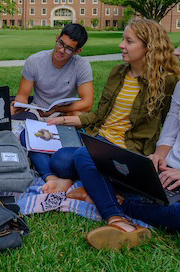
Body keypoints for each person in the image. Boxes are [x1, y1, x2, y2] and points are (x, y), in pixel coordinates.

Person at [49, 17, 180, 249]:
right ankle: (103, 188)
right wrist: (64, 119)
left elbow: (170, 127)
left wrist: (160, 157)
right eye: (122, 39)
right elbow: (99, 114)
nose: (121, 45)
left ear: (148, 46)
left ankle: (114, 215)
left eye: (128, 41)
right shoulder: (118, 72)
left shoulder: (168, 82)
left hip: (128, 152)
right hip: (101, 142)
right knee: (60, 161)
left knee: (80, 157)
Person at [11, 23, 93, 118]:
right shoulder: (35, 60)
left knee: (79, 117)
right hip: (37, 111)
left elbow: (87, 104)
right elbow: (22, 95)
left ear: (77, 51)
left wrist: (57, 109)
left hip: (64, 112)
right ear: (57, 38)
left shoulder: (81, 65)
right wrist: (19, 105)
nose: (61, 50)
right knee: (12, 113)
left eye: (69, 49)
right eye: (61, 43)